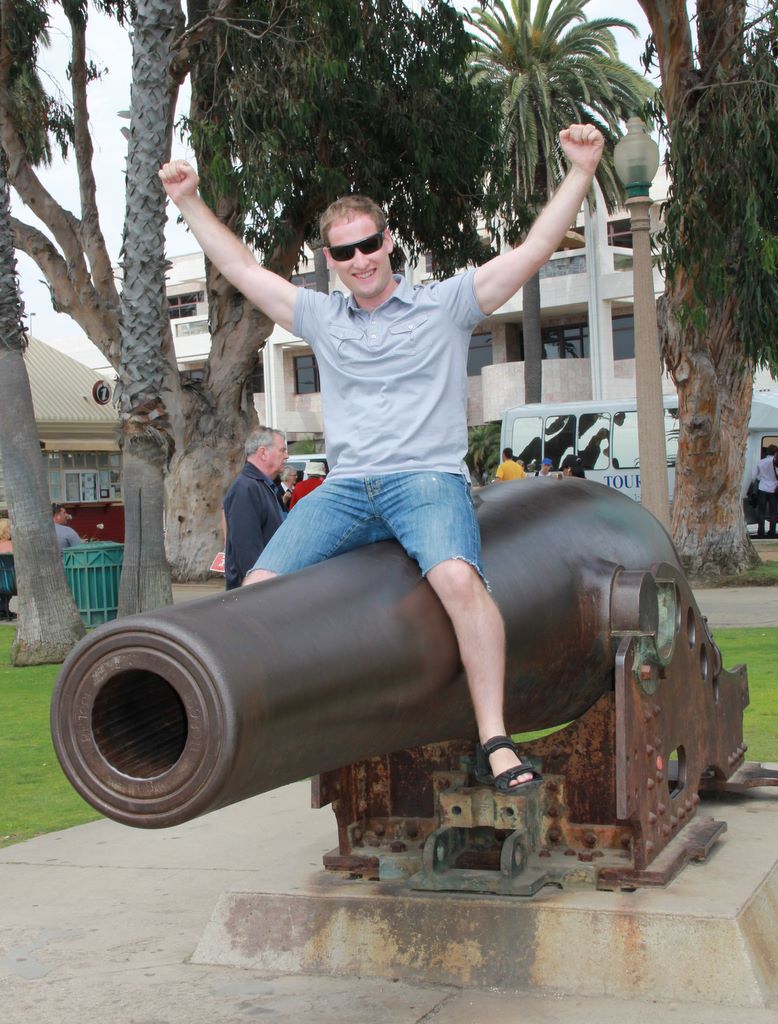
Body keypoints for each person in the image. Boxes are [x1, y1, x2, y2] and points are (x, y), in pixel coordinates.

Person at [160, 122, 604, 791]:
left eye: (370, 244)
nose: (361, 259)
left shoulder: (445, 305)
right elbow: (242, 269)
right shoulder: (320, 318)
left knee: (459, 583)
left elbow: (535, 249)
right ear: (331, 259)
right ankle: (294, 725)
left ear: (389, 241)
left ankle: (495, 737)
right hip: (347, 488)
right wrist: (189, 201)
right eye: (346, 252)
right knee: (259, 590)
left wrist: (581, 171)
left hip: (425, 481)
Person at [222, 427, 289, 590]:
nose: (287, 456)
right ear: (263, 453)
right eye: (282, 450)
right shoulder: (246, 489)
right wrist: (262, 590)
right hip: (257, 593)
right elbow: (247, 550)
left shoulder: (262, 486)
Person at [753, 444, 778, 539]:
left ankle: (760, 531)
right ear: (776, 453)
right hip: (774, 489)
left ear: (767, 452)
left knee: (761, 511)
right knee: (773, 512)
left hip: (762, 488)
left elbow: (754, 476)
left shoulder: (761, 462)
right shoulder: (777, 463)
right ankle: (772, 532)